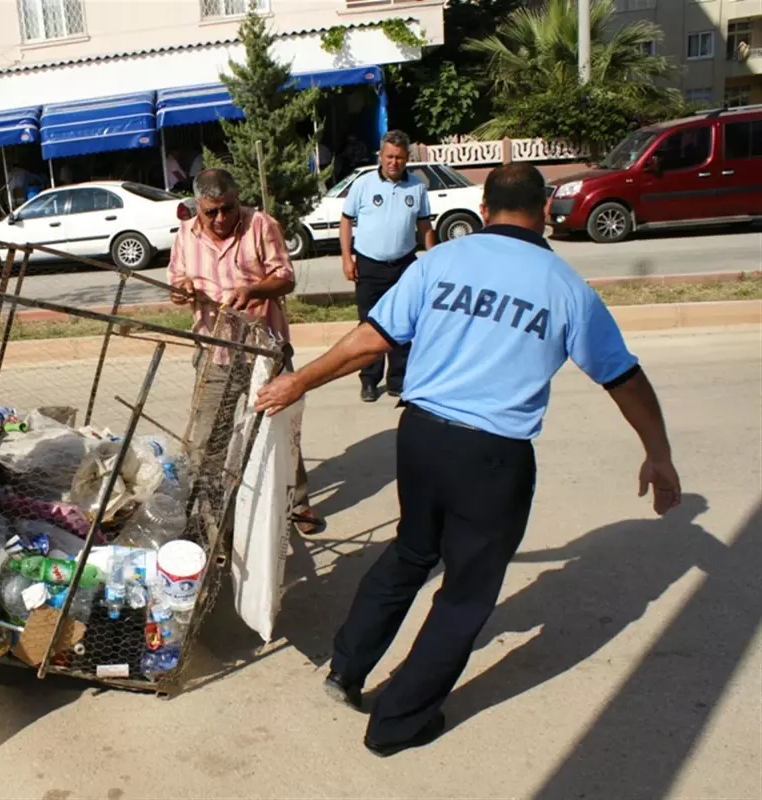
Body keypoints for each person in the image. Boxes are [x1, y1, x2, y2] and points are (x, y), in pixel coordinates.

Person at [255, 163, 682, 756]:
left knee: (410, 551)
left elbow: (370, 338)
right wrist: (657, 455)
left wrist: (300, 381)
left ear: (484, 210)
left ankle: (346, 669)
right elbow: (623, 378)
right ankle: (396, 722)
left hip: (421, 436)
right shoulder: (563, 286)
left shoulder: (439, 264)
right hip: (493, 457)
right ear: (544, 212)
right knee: (465, 591)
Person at [168, 168, 325, 536]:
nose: (221, 219)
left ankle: (297, 504)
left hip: (264, 351)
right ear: (198, 207)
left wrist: (254, 291)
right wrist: (183, 291)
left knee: (281, 430)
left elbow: (285, 277)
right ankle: (205, 515)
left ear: (238, 200)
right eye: (212, 212)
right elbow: (176, 284)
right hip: (215, 353)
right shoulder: (185, 235)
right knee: (207, 438)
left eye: (228, 208)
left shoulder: (260, 225)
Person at [340, 129, 434, 403]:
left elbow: (425, 225)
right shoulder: (363, 185)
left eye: (400, 158)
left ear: (407, 159)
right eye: (390, 156)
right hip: (369, 266)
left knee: (403, 323)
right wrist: (347, 257)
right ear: (380, 156)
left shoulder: (417, 187)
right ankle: (369, 380)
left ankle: (398, 380)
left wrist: (433, 258)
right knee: (369, 325)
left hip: (404, 265)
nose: (395, 162)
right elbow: (346, 220)